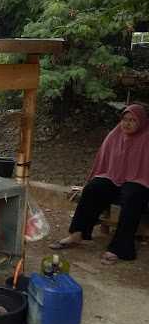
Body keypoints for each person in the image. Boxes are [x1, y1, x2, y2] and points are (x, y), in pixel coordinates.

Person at [50, 104, 149, 264]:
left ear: (142, 122)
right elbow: (103, 163)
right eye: (125, 119)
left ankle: (119, 248)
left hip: (139, 182)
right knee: (94, 188)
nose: (127, 124)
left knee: (133, 196)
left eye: (133, 120)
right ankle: (78, 234)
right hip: (114, 179)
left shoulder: (146, 138)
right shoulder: (115, 135)